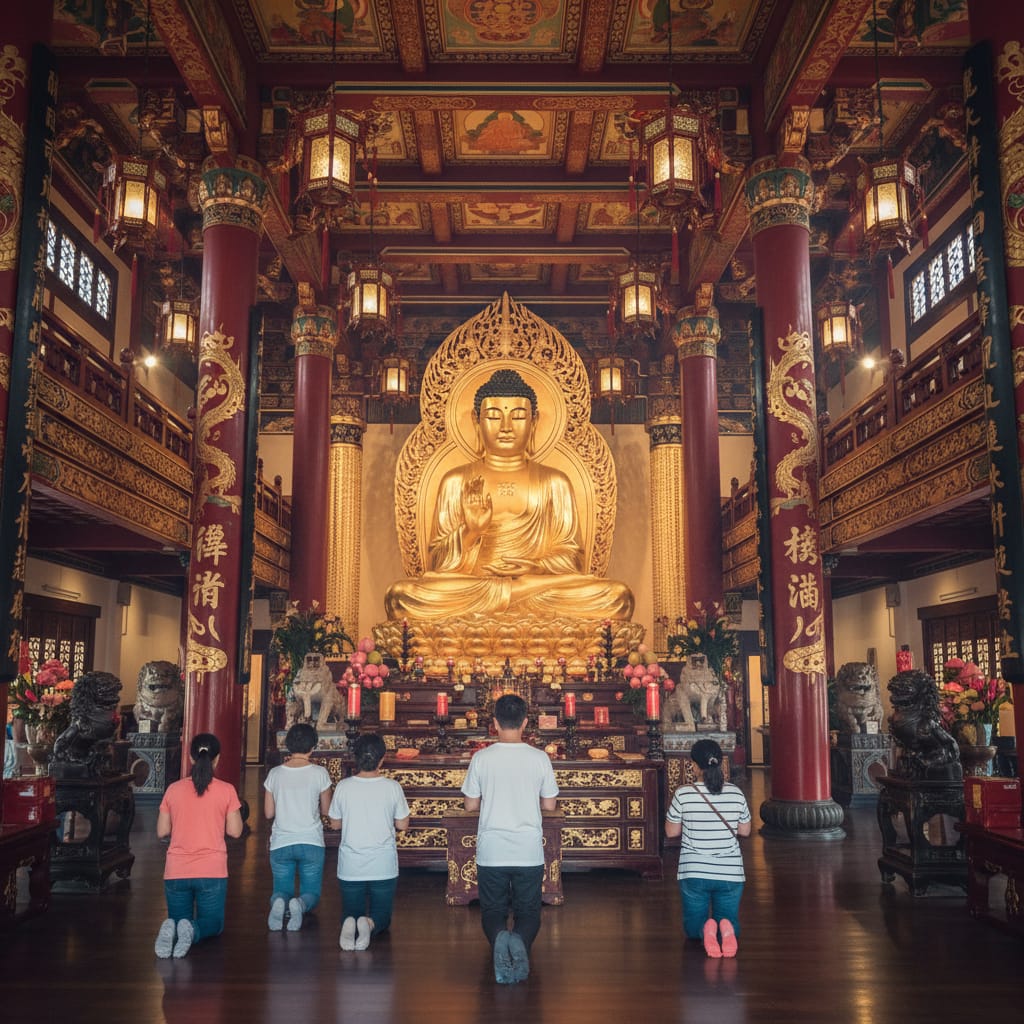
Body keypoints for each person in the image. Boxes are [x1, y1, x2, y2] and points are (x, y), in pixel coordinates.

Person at [384, 368, 634, 621]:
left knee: (617, 597)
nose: (505, 427)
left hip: (537, 589)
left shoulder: (554, 482)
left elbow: (572, 558)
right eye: (493, 416)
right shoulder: (455, 481)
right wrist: (471, 531)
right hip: (475, 590)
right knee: (402, 596)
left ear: (534, 421)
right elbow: (438, 563)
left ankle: (513, 597)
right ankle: (513, 598)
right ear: (476, 420)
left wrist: (535, 568)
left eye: (518, 416)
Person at [461, 693, 559, 984]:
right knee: (529, 911)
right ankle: (519, 944)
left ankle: (502, 938)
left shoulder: (481, 758)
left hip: (492, 849)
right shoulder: (539, 758)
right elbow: (550, 805)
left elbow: (470, 806)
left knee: (492, 910)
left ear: (494, 723)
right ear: (526, 722)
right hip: (528, 849)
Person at [155, 733, 244, 958]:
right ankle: (193, 931)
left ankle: (174, 930)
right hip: (211, 871)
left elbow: (162, 831)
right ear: (217, 759)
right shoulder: (226, 790)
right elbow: (235, 831)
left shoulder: (173, 790)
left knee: (178, 921)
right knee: (213, 923)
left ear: (191, 757)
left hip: (176, 871)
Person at [664, 738, 751, 958]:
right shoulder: (736, 793)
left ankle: (705, 931)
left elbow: (671, 832)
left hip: (694, 871)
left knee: (693, 931)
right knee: (728, 920)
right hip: (730, 873)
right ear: (720, 763)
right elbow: (745, 831)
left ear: (693, 765)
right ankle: (726, 932)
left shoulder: (683, 794)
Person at [328, 733, 410, 951]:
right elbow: (402, 824)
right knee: (382, 916)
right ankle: (370, 923)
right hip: (383, 865)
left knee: (350, 912)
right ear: (382, 760)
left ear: (356, 758)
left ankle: (351, 923)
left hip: (350, 866)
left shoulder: (344, 787)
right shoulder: (392, 787)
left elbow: (334, 824)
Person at [263, 722, 333, 931]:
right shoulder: (320, 773)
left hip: (281, 843)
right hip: (311, 841)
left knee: (281, 889)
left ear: (288, 745)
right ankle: (300, 905)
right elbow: (326, 810)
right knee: (311, 892)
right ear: (313, 746)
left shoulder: (274, 774)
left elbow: (268, 813)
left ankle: (279, 904)